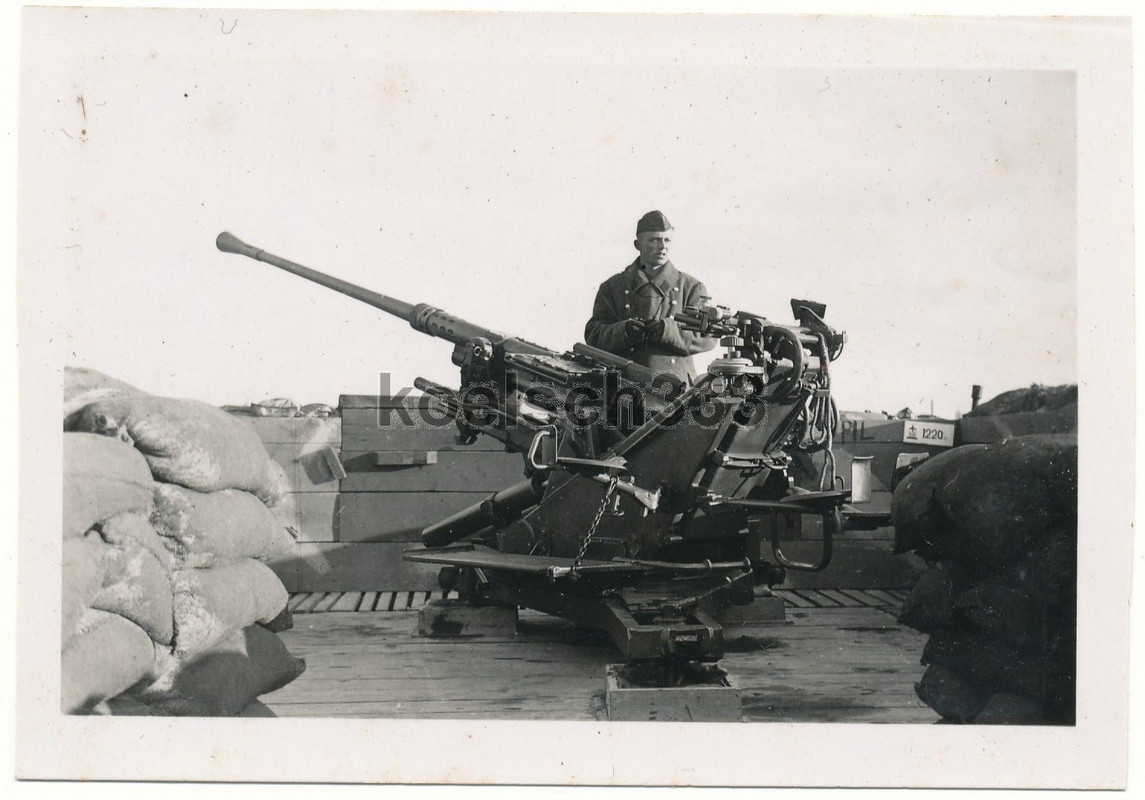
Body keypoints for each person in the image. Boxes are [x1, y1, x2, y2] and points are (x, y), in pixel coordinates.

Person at [584, 210, 715, 381]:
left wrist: (667, 330)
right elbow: (593, 334)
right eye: (654, 239)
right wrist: (623, 331)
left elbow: (708, 336)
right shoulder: (613, 286)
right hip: (623, 384)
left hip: (676, 389)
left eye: (667, 240)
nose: (662, 246)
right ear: (637, 244)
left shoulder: (691, 287)